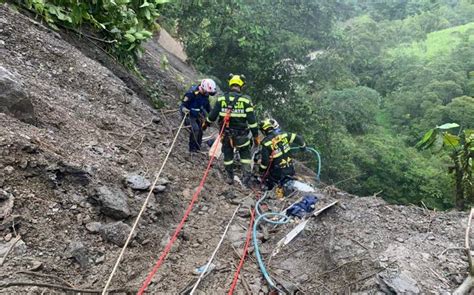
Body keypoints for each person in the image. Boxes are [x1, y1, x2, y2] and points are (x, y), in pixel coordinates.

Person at [204, 74, 259, 185]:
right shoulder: (246, 101)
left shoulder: (221, 99)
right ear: (241, 86)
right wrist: (256, 136)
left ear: (230, 84)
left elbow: (212, 116)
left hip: (226, 134)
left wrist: (205, 124)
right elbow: (252, 122)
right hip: (242, 135)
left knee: (228, 155)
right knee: (245, 155)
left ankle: (230, 177)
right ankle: (246, 178)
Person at [258, 118, 306, 193]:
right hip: (290, 170)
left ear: (264, 130)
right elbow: (299, 138)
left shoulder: (266, 143)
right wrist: (303, 148)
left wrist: (261, 171)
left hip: (277, 175)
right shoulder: (284, 135)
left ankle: (271, 187)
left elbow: (265, 162)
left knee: (268, 179)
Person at [180, 79, 217, 152]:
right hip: (188, 114)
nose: (207, 94)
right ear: (203, 88)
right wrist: (184, 109)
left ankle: (198, 147)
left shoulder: (205, 95)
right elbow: (183, 105)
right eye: (207, 92)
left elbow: (208, 108)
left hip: (198, 115)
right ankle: (192, 149)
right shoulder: (191, 93)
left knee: (201, 130)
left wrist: (213, 115)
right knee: (195, 129)